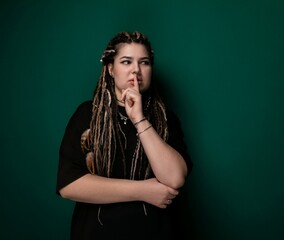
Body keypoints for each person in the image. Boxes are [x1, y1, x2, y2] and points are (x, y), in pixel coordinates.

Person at [56, 31, 193, 240]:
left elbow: (174, 178)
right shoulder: (87, 115)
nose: (136, 70)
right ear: (111, 69)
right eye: (126, 62)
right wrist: (142, 191)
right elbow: (69, 185)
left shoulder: (165, 118)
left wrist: (139, 119)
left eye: (144, 62)